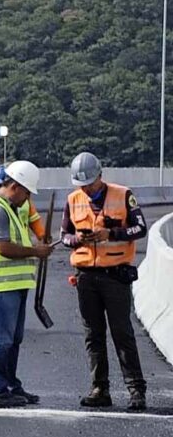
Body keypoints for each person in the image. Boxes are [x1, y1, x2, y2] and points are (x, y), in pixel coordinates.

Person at [62, 151, 148, 410]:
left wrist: (110, 234)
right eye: (81, 185)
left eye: (89, 183)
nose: (86, 189)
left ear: (100, 175)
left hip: (115, 275)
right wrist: (76, 240)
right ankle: (99, 388)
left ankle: (136, 389)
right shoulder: (73, 199)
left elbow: (140, 229)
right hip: (86, 276)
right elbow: (65, 234)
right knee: (93, 334)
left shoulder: (123, 195)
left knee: (122, 333)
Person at [0, 159, 53, 407]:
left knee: (12, 339)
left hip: (13, 286)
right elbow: (3, 247)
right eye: (27, 192)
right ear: (15, 186)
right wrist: (35, 252)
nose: (28, 198)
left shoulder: (13, 208)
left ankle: (9, 385)